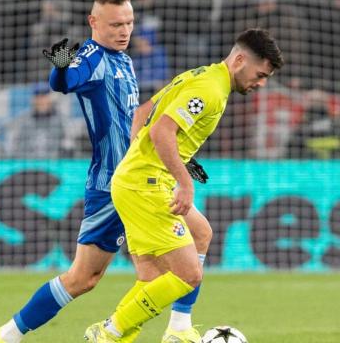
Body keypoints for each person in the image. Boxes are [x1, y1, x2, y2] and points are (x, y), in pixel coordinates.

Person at [0, 0, 212, 343]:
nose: (125, 31)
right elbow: (66, 83)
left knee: (179, 251)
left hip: (145, 179)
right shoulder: (91, 55)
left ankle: (171, 330)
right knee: (83, 279)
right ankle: (7, 335)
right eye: (116, 24)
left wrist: (175, 157)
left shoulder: (124, 60)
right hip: (112, 185)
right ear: (93, 23)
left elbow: (137, 121)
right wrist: (59, 69)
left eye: (129, 23)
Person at [83, 28, 283, 342]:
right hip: (145, 186)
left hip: (139, 179)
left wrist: (154, 158)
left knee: (188, 245)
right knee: (188, 274)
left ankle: (177, 329)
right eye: (260, 75)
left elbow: (144, 113)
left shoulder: (199, 76)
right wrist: (183, 182)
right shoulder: (210, 89)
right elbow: (161, 132)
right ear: (240, 59)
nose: (261, 84)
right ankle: (109, 332)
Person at [7, 82, 68, 159]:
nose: (41, 101)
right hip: (29, 166)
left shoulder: (61, 120)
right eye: (37, 97)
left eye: (44, 96)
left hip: (54, 167)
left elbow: (69, 145)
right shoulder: (23, 121)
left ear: (50, 98)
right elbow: (15, 148)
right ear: (33, 100)